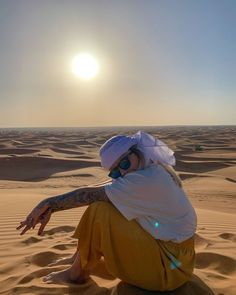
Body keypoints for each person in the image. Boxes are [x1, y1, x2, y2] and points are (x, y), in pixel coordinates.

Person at [17, 131, 197, 291]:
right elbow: (102, 188)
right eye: (115, 172)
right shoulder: (152, 169)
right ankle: (78, 258)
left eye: (124, 164)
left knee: (101, 209)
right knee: (108, 204)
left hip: (167, 270)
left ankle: (77, 273)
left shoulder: (146, 180)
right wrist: (50, 206)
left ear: (137, 152)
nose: (122, 173)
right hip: (179, 262)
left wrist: (47, 204)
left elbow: (89, 195)